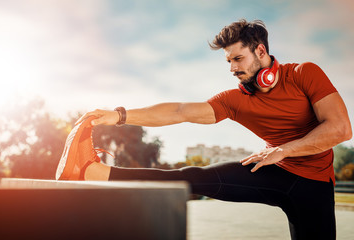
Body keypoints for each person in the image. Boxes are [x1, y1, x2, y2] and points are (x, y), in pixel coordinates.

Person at [61, 19, 352, 240]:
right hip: (273, 170)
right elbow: (180, 111)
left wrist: (284, 150)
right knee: (192, 177)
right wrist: (119, 115)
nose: (232, 68)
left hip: (314, 185)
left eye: (238, 59)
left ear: (260, 51)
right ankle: (96, 173)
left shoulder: (304, 74)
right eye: (228, 61)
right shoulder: (235, 100)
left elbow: (340, 128)